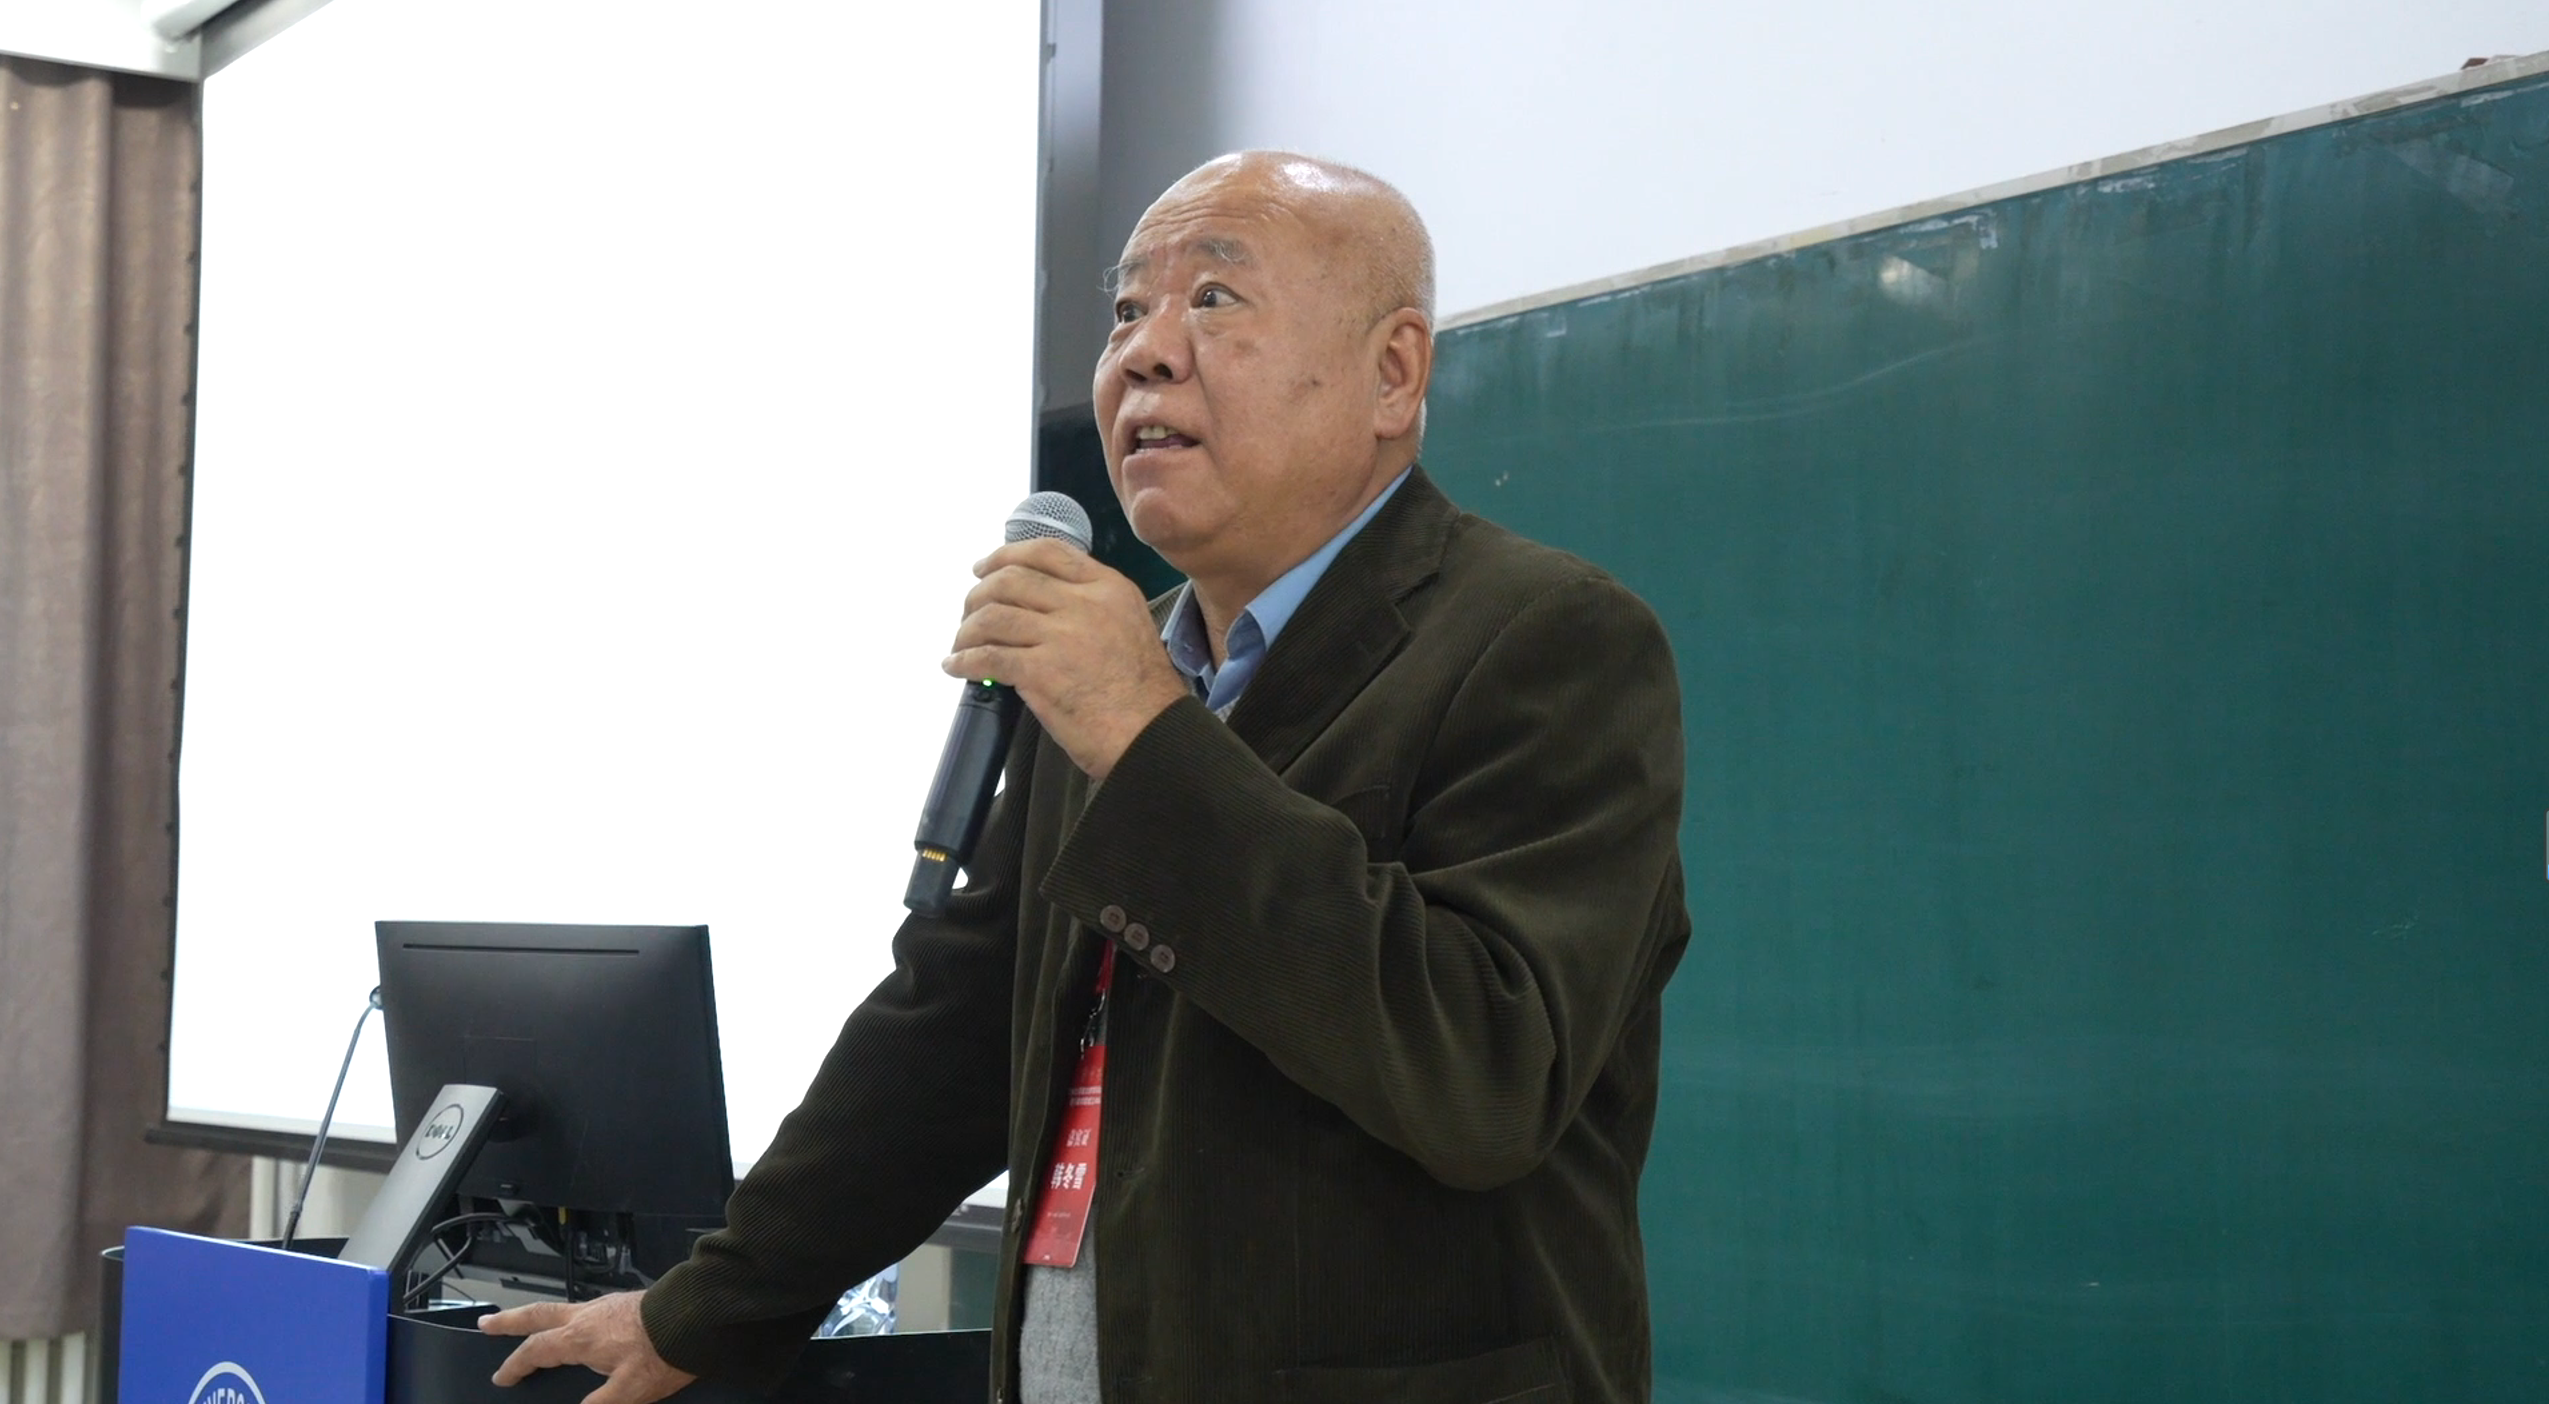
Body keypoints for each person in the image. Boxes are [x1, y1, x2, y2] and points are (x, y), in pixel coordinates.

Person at [481, 151, 1690, 1404]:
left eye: (1212, 299)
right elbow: (951, 1038)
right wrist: (696, 1313)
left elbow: (1484, 1072)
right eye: (1124, 310)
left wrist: (1146, 735)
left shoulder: (1548, 641)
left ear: (1392, 373)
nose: (1143, 354)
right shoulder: (1122, 674)